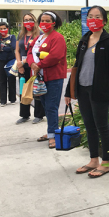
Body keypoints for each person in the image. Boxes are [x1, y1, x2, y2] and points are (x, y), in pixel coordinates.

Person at [65, 6, 109, 178]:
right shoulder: (84, 40)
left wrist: (101, 81)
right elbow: (76, 66)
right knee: (89, 126)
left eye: (97, 17)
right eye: (90, 16)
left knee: (102, 126)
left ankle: (106, 162)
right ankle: (93, 160)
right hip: (82, 89)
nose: (93, 19)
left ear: (104, 21)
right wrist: (69, 91)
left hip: (99, 91)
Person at [27, 11, 67, 148]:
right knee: (44, 104)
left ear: (54, 23)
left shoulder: (58, 38)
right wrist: (32, 64)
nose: (44, 23)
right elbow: (29, 53)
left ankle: (53, 135)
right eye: (42, 20)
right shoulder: (39, 38)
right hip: (39, 76)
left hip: (53, 77)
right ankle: (51, 131)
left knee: (51, 107)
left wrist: (39, 65)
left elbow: (56, 56)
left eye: (48, 21)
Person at [15, 13, 45, 124]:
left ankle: (39, 115)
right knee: (24, 90)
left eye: (30, 20)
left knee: (37, 90)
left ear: (34, 21)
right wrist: (19, 64)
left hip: (35, 66)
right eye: (26, 20)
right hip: (23, 67)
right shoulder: (21, 34)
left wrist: (23, 62)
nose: (28, 22)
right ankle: (24, 115)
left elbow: (38, 52)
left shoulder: (40, 34)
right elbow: (17, 50)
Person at [0, 22, 16, 106]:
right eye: (1, 29)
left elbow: (13, 47)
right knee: (2, 81)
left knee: (11, 79)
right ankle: (3, 100)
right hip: (1, 61)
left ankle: (12, 99)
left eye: (4, 28)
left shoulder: (12, 37)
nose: (3, 30)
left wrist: (2, 48)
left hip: (11, 61)